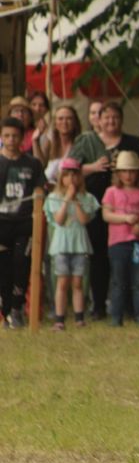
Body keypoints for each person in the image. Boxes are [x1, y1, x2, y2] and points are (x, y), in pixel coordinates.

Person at [68, 100, 139, 319]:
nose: (110, 121)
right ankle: (99, 305)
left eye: (115, 117)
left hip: (126, 211)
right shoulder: (86, 141)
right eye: (106, 117)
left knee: (126, 257)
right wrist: (94, 167)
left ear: (121, 119)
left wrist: (132, 162)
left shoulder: (131, 142)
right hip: (95, 207)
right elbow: (69, 168)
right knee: (99, 257)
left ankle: (129, 306)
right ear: (98, 119)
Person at [0, 117, 46, 328]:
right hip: (2, 223)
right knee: (4, 269)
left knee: (21, 264)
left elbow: (40, 189)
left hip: (24, 224)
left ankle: (18, 307)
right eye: (7, 135)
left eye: (15, 136)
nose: (11, 140)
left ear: (22, 137)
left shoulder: (32, 163)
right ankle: (7, 311)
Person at [43, 157, 99, 331]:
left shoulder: (87, 198)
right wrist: (66, 199)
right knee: (62, 282)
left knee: (77, 283)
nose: (71, 179)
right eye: (67, 176)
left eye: (75, 175)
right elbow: (58, 220)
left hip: (79, 245)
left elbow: (83, 220)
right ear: (61, 178)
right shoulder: (54, 197)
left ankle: (79, 317)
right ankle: (59, 319)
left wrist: (75, 200)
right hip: (61, 246)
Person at [101, 151, 139, 327]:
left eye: (132, 171)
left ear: (138, 173)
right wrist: (124, 219)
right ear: (118, 173)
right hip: (118, 243)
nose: (128, 175)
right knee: (118, 281)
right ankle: (116, 318)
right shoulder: (111, 192)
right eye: (124, 171)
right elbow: (106, 214)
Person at [41, 104, 82, 184]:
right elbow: (40, 165)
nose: (64, 122)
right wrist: (35, 141)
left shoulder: (80, 144)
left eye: (69, 119)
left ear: (75, 122)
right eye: (60, 119)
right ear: (55, 123)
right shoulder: (49, 143)